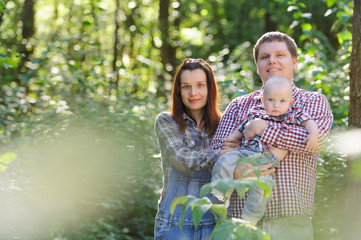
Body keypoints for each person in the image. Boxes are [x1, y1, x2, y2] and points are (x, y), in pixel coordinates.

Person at [211, 31, 333, 240]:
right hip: (240, 224)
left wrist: (260, 128)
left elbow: (314, 141)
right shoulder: (239, 105)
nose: (272, 61)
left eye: (280, 55)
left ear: (294, 62)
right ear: (257, 66)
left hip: (292, 224)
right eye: (265, 57)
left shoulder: (313, 102)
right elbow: (217, 151)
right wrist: (237, 171)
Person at [210, 76, 319, 225]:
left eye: (282, 101)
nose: (276, 105)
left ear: (290, 103)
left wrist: (313, 135)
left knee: (263, 187)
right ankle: (218, 195)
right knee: (225, 160)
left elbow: (309, 122)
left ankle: (250, 218)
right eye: (271, 100)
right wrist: (233, 138)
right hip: (246, 151)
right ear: (262, 100)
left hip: (267, 158)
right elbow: (241, 127)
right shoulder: (255, 112)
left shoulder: (293, 114)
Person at [154, 58, 225, 240]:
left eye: (200, 85)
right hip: (175, 225)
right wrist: (221, 152)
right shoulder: (167, 121)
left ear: (210, 88)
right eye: (186, 86)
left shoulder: (224, 124)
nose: (193, 93)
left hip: (215, 224)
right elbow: (183, 160)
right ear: (179, 90)